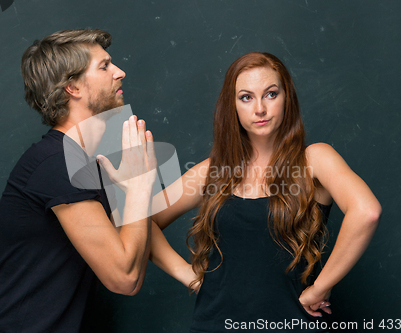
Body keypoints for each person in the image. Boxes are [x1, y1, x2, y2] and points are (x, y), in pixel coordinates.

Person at [148, 52, 382, 332]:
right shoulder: (213, 171)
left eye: (271, 94)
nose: (260, 108)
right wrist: (189, 276)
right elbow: (138, 220)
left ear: (287, 98)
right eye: (246, 97)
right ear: (232, 106)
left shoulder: (315, 160)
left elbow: (367, 212)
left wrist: (321, 287)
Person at [0, 29, 156, 332]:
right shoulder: (58, 164)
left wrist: (213, 171)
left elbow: (141, 229)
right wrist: (138, 186)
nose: (120, 72)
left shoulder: (82, 161)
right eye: (105, 66)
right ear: (72, 87)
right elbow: (125, 278)